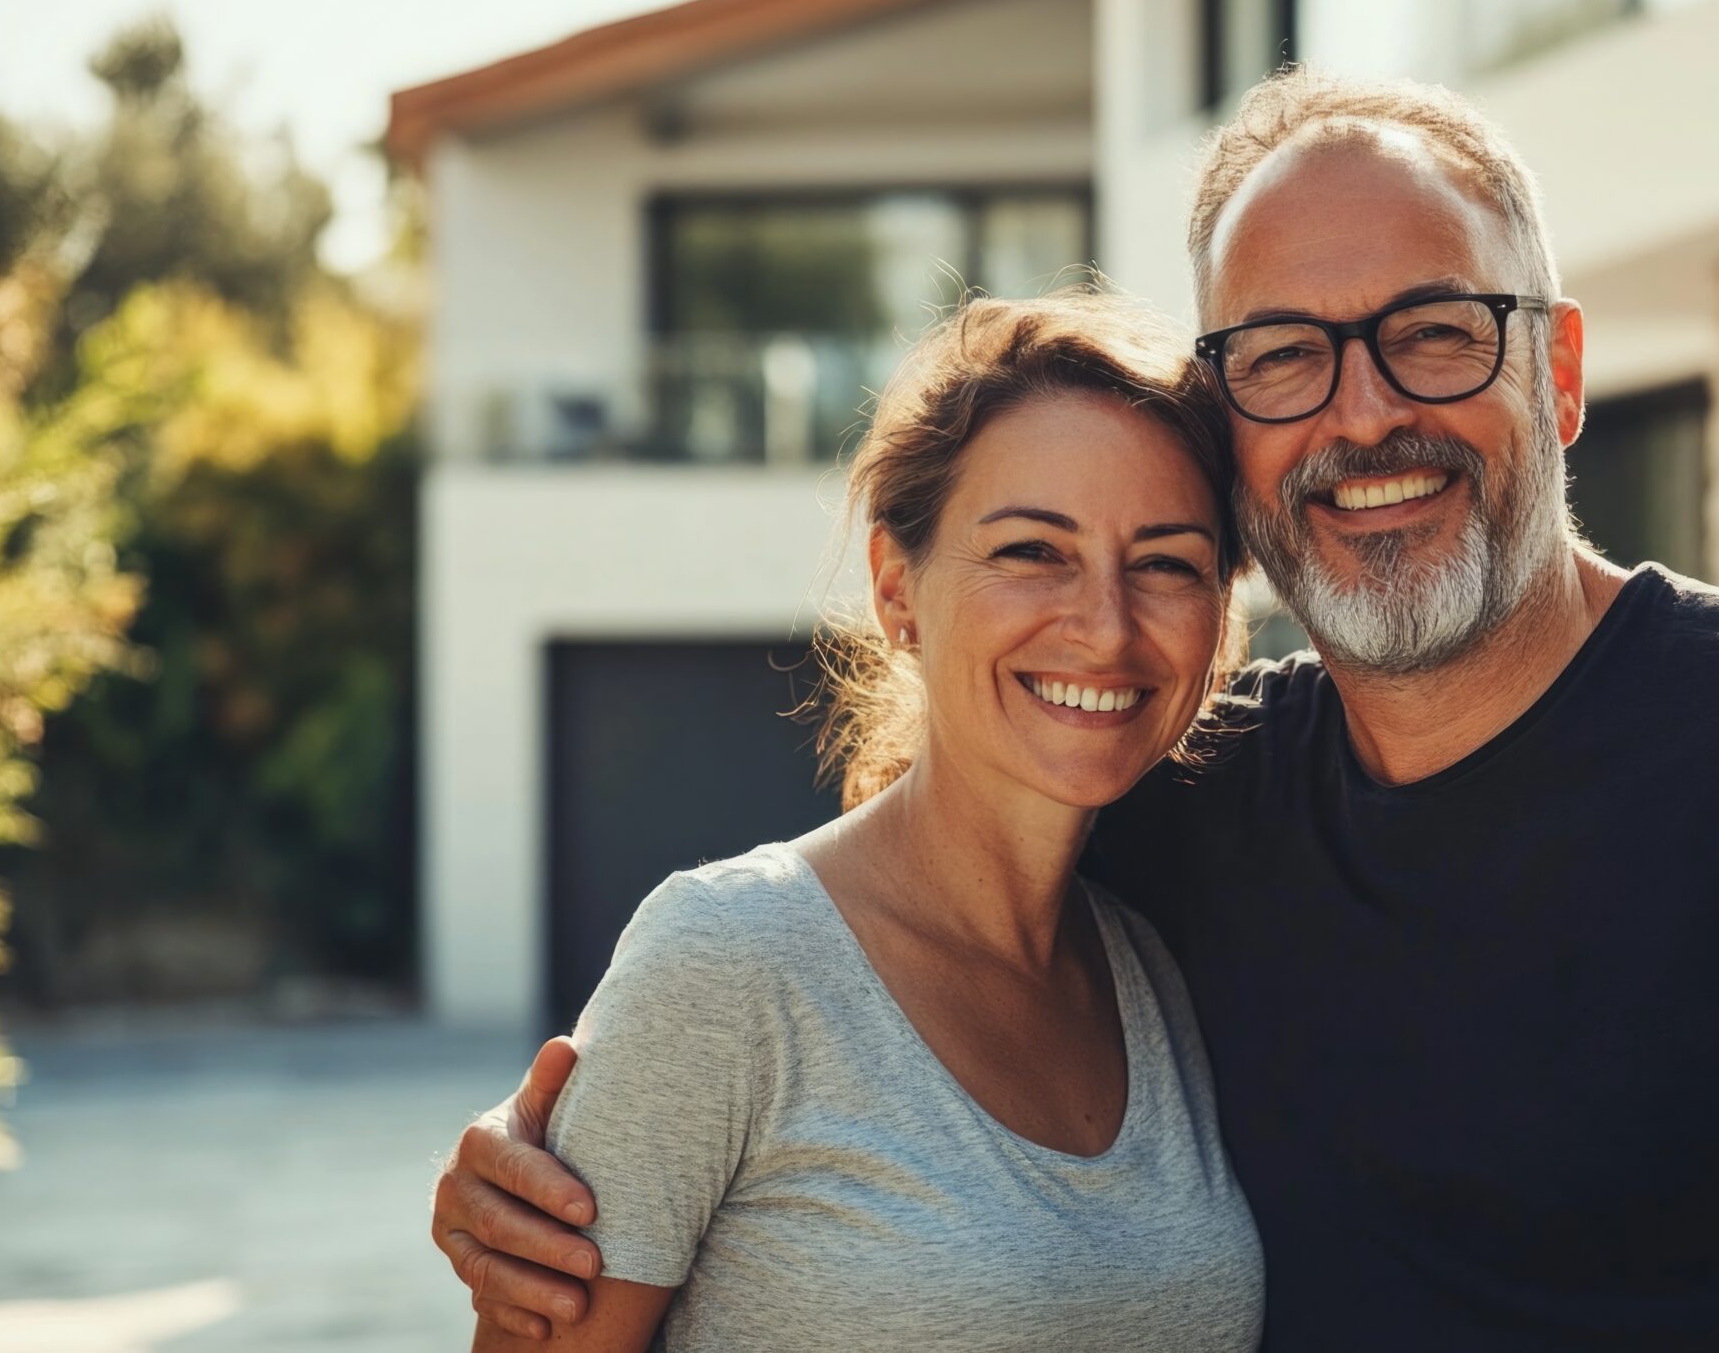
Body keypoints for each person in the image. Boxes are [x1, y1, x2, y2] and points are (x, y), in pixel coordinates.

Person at [437, 70, 1719, 1351]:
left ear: (1559, 370)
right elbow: (873, 944)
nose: (1364, 413)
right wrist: (563, 1167)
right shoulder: (1185, 808)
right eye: (1288, 356)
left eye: (1435, 330)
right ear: (1238, 430)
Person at [466, 294, 1265, 1351]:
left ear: (1220, 619)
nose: (1105, 626)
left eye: (1165, 562)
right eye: (1033, 550)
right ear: (897, 588)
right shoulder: (728, 962)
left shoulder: (1153, 972)